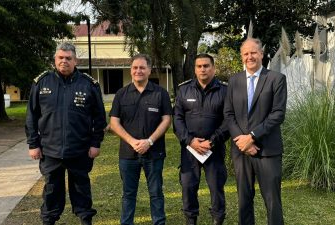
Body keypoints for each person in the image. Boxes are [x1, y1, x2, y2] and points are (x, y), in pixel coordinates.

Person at [25, 42, 107, 225]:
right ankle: (49, 221)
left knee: (81, 189)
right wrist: (33, 144)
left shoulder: (88, 85)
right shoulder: (42, 83)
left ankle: (86, 220)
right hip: (50, 150)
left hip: (80, 149)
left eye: (68, 58)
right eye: (60, 58)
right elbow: (31, 116)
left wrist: (96, 143)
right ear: (55, 59)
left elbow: (99, 118)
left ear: (75, 60)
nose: (64, 61)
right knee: (52, 190)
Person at [223, 38, 287, 225]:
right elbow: (228, 114)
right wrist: (242, 141)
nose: (249, 57)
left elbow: (277, 114)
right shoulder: (234, 81)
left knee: (272, 200)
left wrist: (251, 137)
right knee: (244, 199)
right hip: (241, 151)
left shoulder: (276, 79)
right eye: (245, 53)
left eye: (253, 52)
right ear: (241, 57)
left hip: (267, 151)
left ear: (261, 54)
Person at [109, 54, 172, 225]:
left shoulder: (161, 93)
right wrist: (132, 141)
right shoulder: (122, 94)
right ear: (131, 70)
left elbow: (166, 120)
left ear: (149, 70)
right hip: (128, 154)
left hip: (154, 152)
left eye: (142, 67)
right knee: (128, 194)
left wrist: (149, 141)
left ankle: (159, 222)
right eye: (135, 67)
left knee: (156, 192)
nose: (138, 71)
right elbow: (114, 123)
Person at [173, 53, 229, 225]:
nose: (203, 69)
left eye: (206, 65)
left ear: (213, 68)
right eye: (199, 66)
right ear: (195, 69)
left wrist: (211, 141)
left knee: (216, 187)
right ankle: (191, 220)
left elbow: (229, 120)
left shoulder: (225, 90)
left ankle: (217, 219)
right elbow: (177, 119)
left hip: (214, 149)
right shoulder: (184, 90)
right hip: (190, 150)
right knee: (188, 186)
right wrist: (190, 141)